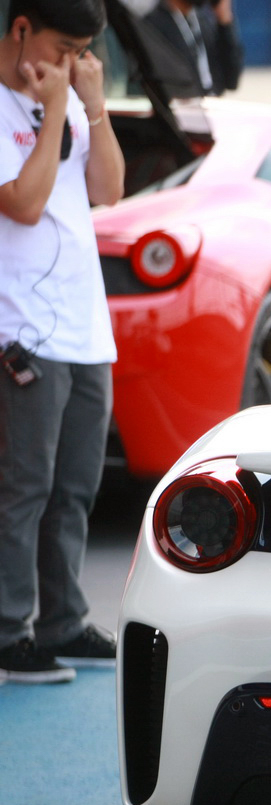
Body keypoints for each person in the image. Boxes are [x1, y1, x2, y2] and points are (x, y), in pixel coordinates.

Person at [0, 0, 123, 684]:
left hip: (85, 324)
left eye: (84, 51)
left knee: (76, 484)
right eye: (64, 45)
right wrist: (50, 116)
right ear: (21, 29)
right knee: (26, 485)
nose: (72, 62)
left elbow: (108, 187)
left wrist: (92, 106)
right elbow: (23, 202)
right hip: (23, 327)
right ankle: (9, 631)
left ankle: (64, 621)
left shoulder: (71, 100)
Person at [141, 0, 243, 98]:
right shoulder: (152, 28)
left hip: (211, 106)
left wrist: (225, 22)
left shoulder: (203, 22)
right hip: (182, 111)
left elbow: (232, 81)